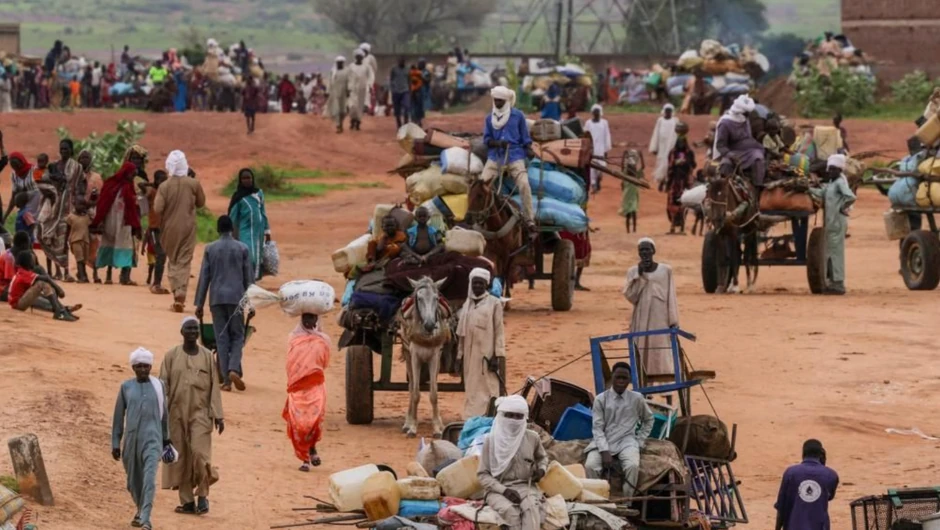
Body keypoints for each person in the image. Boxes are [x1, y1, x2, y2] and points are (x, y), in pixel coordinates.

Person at [160, 317, 224, 516]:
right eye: (188, 329)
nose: (192, 332)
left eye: (195, 329)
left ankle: (203, 494)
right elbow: (163, 387)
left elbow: (215, 387)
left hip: (201, 413)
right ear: (181, 332)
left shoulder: (206, 356)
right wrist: (160, 415)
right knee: (182, 458)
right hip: (176, 413)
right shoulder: (171, 356)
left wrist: (218, 415)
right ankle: (187, 502)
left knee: (199, 454)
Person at [112, 348, 174, 530]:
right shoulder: (126, 387)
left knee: (149, 479)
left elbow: (165, 415)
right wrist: (115, 443)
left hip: (153, 440)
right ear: (133, 367)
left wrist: (166, 438)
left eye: (146, 366)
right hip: (131, 441)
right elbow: (117, 417)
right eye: (139, 366)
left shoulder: (159, 386)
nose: (142, 370)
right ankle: (140, 510)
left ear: (150, 366)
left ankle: (146, 519)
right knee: (133, 482)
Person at [194, 215, 254, 392]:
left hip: (217, 299)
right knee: (237, 336)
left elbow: (204, 277)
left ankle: (226, 381)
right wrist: (251, 304)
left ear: (218, 229)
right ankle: (234, 368)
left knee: (221, 338)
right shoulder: (242, 248)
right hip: (237, 299)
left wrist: (199, 303)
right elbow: (248, 279)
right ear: (232, 230)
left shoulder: (210, 249)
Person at [478, 395, 548, 530]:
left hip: (526, 488)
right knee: (511, 513)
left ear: (525, 418)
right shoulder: (490, 441)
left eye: (519, 416)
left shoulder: (532, 438)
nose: (514, 420)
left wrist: (542, 469)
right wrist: (504, 491)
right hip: (498, 490)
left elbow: (542, 458)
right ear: (501, 416)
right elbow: (483, 475)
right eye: (510, 415)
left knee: (531, 510)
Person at [584, 362, 654, 497]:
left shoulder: (637, 398)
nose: (621, 381)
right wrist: (604, 451)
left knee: (632, 466)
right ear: (612, 377)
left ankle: (626, 503)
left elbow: (649, 419)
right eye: (618, 377)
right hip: (604, 440)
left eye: (624, 378)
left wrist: (640, 440)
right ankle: (598, 501)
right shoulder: (601, 399)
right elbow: (597, 428)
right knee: (590, 466)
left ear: (629, 380)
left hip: (627, 441)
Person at [154, 150, 206, 312]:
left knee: (173, 260)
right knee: (183, 260)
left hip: (169, 229)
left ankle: (177, 292)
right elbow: (201, 203)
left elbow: (157, 208)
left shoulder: (164, 186)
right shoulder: (193, 184)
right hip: (188, 227)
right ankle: (180, 292)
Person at [481, 85, 536, 232]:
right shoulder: (489, 119)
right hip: (495, 157)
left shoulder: (518, 116)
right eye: (496, 100)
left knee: (524, 184)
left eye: (500, 101)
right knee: (482, 184)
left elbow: (525, 138)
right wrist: (498, 143)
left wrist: (529, 149)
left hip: (515, 156)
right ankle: (481, 217)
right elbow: (486, 140)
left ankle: (529, 218)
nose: (497, 103)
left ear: (506, 101)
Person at [624, 238, 679, 380]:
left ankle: (667, 393)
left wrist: (673, 321)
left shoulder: (666, 270)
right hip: (641, 319)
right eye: (641, 250)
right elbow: (631, 297)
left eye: (647, 249)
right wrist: (639, 275)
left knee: (661, 355)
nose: (645, 253)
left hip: (661, 319)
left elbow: (671, 296)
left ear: (653, 251)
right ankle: (644, 391)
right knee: (641, 354)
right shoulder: (633, 272)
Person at [283, 312, 331, 472]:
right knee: (299, 425)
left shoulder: (323, 340)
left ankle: (312, 449)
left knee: (314, 423)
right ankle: (305, 459)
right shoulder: (293, 339)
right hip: (297, 388)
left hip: (315, 386)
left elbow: (324, 362)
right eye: (306, 318)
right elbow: (290, 362)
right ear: (301, 320)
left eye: (312, 318)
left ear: (317, 320)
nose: (309, 322)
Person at [456, 268, 505, 419]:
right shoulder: (467, 304)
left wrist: (497, 356)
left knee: (488, 388)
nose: (477, 286)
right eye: (475, 283)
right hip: (470, 357)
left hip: (487, 355)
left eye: (481, 283)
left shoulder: (494, 303)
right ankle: (471, 419)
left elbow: (499, 332)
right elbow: (462, 335)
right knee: (471, 388)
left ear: (486, 285)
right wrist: (459, 356)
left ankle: (488, 417)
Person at [809, 154, 856, 295]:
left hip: (837, 222)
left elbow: (851, 197)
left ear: (840, 170)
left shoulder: (840, 183)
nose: (830, 172)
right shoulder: (831, 184)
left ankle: (839, 284)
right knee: (830, 253)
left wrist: (842, 207)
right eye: (829, 169)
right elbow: (820, 193)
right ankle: (832, 282)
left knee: (836, 253)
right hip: (831, 223)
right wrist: (807, 189)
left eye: (833, 169)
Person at [92, 161, 141, 286]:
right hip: (111, 220)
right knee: (110, 244)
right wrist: (100, 221)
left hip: (125, 222)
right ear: (126, 172)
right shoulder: (111, 184)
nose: (132, 177)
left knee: (126, 246)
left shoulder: (130, 187)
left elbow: (132, 207)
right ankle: (108, 276)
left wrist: (135, 223)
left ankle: (125, 277)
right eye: (131, 174)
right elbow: (103, 203)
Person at [39, 138, 82, 281]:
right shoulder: (54, 166)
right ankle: (56, 271)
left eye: (66, 149)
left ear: (71, 150)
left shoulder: (76, 167)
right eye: (61, 148)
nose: (63, 151)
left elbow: (78, 187)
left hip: (68, 207)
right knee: (50, 237)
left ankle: (66, 272)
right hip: (53, 207)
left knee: (63, 240)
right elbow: (43, 182)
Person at [774, 439, 839, 530]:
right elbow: (829, 497)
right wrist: (823, 465)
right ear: (821, 455)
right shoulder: (831, 475)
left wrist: (777, 528)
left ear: (803, 453)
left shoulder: (790, 473)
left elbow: (781, 506)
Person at [8, 251, 78, 321]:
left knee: (48, 289)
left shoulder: (22, 271)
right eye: (32, 260)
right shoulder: (23, 273)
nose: (34, 262)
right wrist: (58, 289)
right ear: (26, 262)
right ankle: (58, 312)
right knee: (41, 284)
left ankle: (62, 310)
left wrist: (54, 289)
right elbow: (46, 278)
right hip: (17, 304)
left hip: (20, 300)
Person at [714, 94, 765, 190]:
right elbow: (720, 145)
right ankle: (724, 191)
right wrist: (730, 154)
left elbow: (748, 137)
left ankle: (757, 189)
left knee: (758, 158)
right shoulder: (725, 123)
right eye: (746, 113)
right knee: (726, 166)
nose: (748, 116)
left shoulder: (744, 119)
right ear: (740, 112)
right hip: (732, 152)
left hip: (749, 151)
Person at [228, 168, 271, 281]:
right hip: (245, 231)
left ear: (252, 179)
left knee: (258, 258)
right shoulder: (238, 197)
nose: (247, 180)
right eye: (244, 178)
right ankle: (247, 280)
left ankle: (253, 281)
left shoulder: (258, 193)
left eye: (249, 178)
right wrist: (229, 233)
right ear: (240, 180)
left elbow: (263, 212)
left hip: (259, 232)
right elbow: (233, 216)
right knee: (249, 257)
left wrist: (267, 231)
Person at [140, 169, 168, 293]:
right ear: (156, 180)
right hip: (154, 228)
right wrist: (152, 184)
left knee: (162, 256)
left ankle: (157, 282)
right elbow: (140, 185)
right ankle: (156, 283)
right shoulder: (152, 192)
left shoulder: (166, 193)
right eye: (161, 180)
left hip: (164, 228)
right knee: (160, 254)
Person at [666, 133, 696, 235]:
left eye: (682, 142)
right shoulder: (673, 153)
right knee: (672, 204)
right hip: (675, 181)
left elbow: (693, 164)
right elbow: (669, 167)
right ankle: (673, 226)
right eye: (679, 142)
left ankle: (682, 228)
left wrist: (685, 162)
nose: (680, 144)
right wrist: (675, 163)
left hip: (685, 182)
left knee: (684, 204)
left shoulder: (689, 153)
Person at [584, 104, 612, 193]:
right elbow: (585, 135)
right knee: (592, 168)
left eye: (597, 112)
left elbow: (607, 135)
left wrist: (606, 149)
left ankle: (598, 181)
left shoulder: (604, 123)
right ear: (592, 113)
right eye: (595, 112)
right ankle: (593, 185)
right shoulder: (588, 123)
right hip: (591, 149)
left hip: (601, 148)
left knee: (601, 167)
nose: (596, 114)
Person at [649, 103, 678, 187]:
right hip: (661, 145)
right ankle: (660, 179)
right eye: (667, 110)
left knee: (669, 162)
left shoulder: (675, 121)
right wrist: (654, 147)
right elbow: (656, 133)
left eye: (670, 111)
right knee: (661, 160)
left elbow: (676, 135)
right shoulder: (660, 120)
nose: (668, 112)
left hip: (670, 145)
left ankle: (667, 180)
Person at [348, 50, 373, 131]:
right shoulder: (351, 66)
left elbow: (370, 77)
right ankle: (352, 120)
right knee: (352, 106)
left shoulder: (367, 67)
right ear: (355, 57)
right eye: (357, 56)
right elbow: (348, 77)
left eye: (360, 56)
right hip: (352, 89)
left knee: (360, 107)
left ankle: (358, 122)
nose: (359, 58)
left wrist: (369, 86)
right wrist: (347, 88)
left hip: (362, 89)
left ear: (362, 57)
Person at [619, 150, 643, 234]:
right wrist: (623, 155)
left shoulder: (636, 176)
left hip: (634, 197)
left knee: (634, 213)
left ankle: (634, 229)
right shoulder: (625, 176)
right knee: (628, 215)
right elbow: (622, 166)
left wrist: (641, 156)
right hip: (627, 197)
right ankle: (628, 230)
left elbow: (643, 167)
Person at [327, 56, 350, 133]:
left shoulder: (347, 71)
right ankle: (338, 125)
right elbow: (330, 82)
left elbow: (349, 82)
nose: (339, 64)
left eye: (341, 63)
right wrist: (328, 91)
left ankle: (341, 123)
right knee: (336, 110)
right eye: (338, 63)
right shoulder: (333, 71)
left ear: (343, 63)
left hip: (344, 93)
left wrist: (349, 90)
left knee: (343, 111)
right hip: (335, 93)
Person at [389, 57, 410, 128]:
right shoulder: (394, 69)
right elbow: (391, 79)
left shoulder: (407, 69)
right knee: (397, 109)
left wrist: (410, 90)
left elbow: (409, 80)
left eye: (403, 61)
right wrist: (392, 89)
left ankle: (406, 123)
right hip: (396, 91)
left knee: (407, 107)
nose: (401, 62)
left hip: (405, 91)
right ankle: (399, 124)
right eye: (400, 61)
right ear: (398, 61)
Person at [409, 62, 426, 126]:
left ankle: (414, 120)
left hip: (413, 91)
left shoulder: (410, 74)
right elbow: (423, 80)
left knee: (413, 106)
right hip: (418, 91)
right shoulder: (419, 73)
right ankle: (418, 120)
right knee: (419, 106)